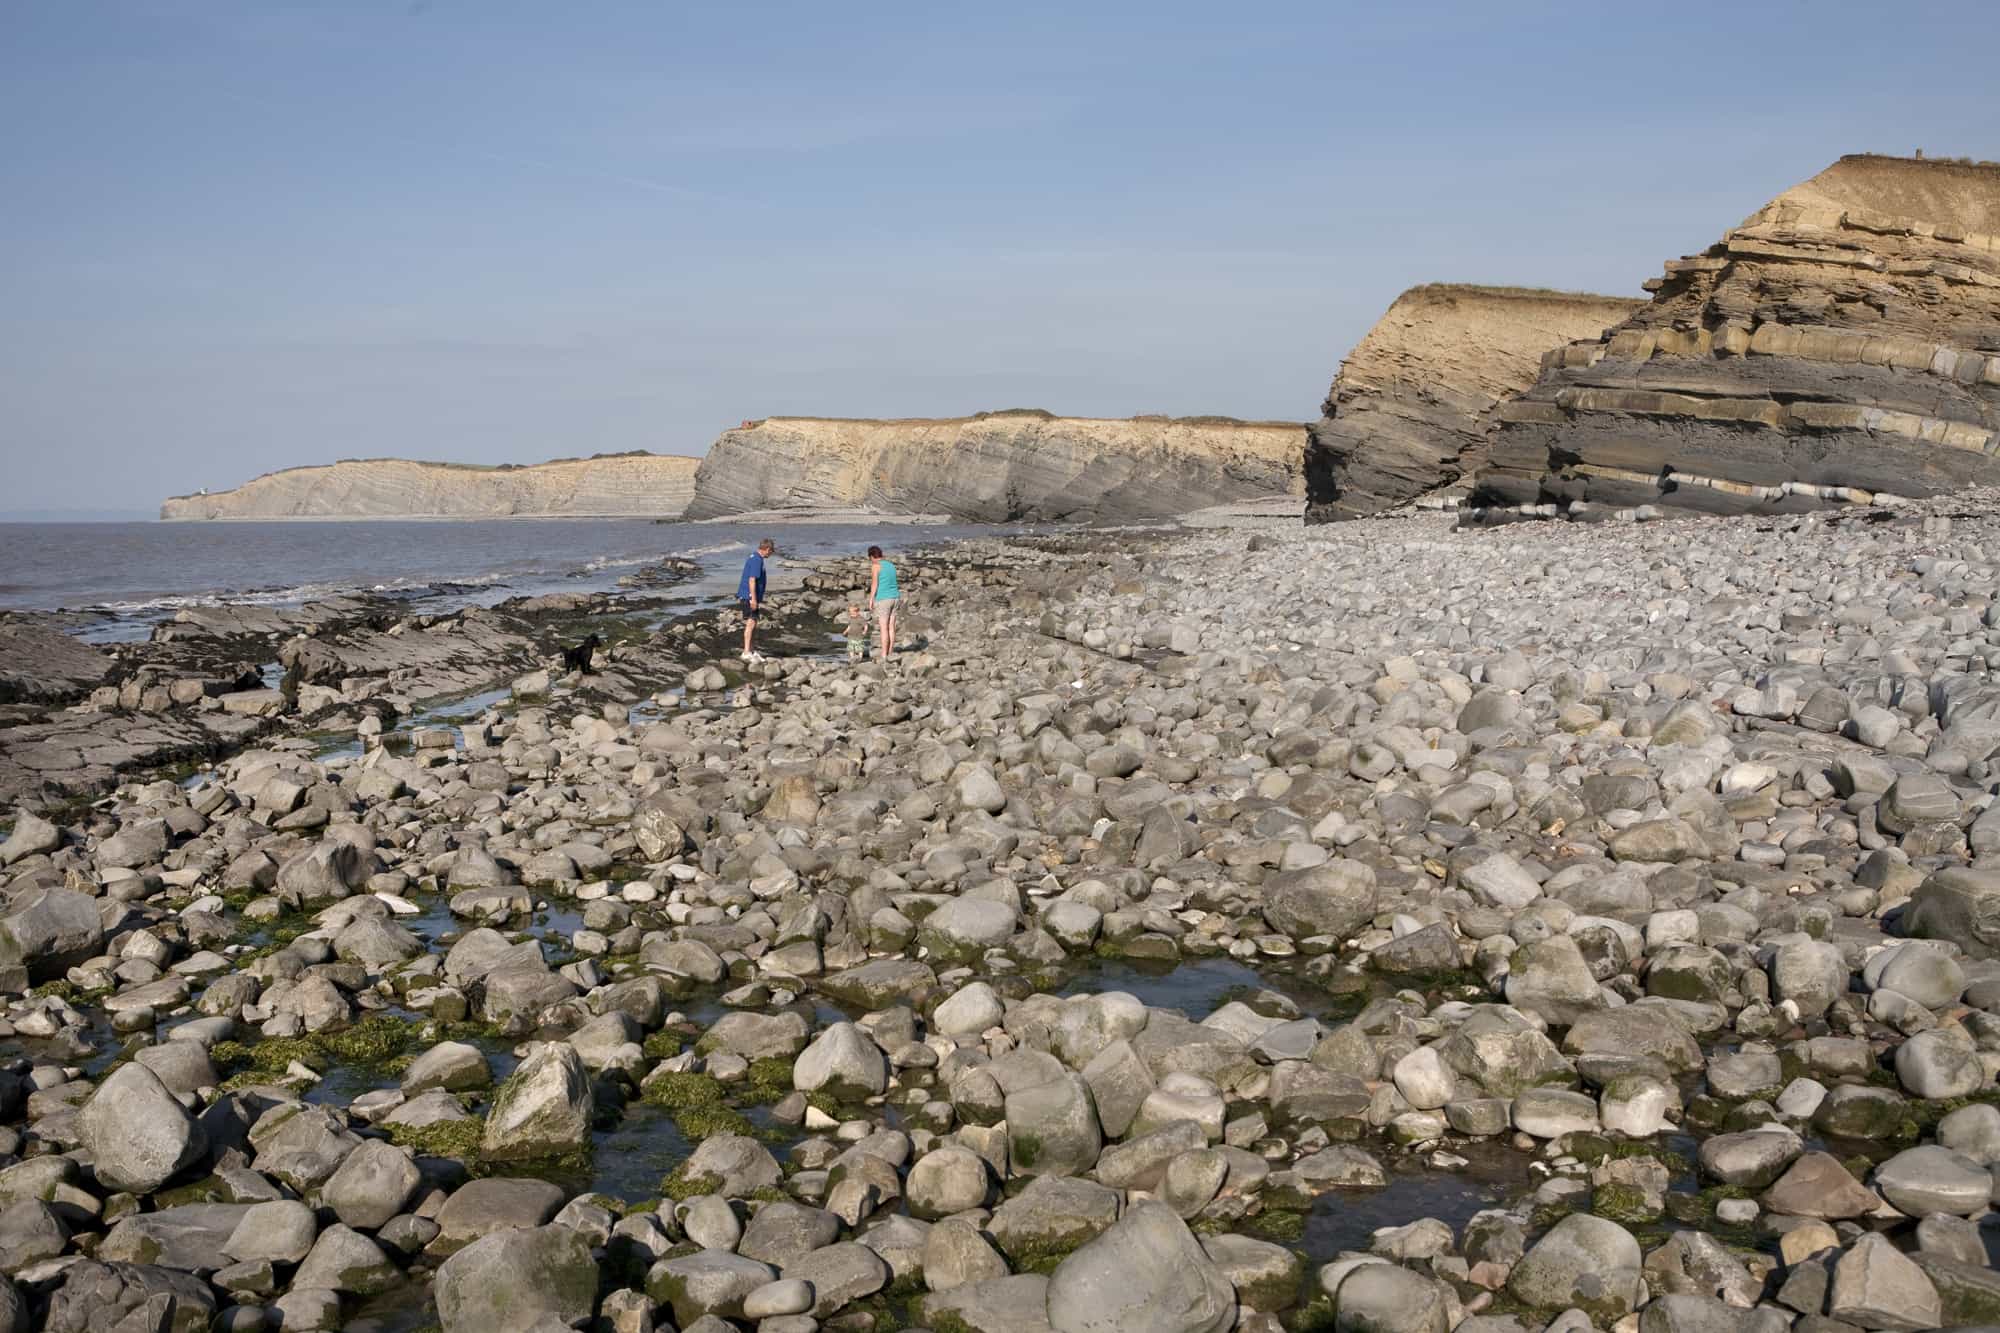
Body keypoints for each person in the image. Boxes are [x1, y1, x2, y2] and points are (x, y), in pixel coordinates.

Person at [737, 538, 775, 662]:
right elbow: (752, 580)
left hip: (752, 596)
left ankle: (751, 650)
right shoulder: (756, 560)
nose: (771, 554)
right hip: (749, 596)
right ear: (767, 549)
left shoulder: (757, 558)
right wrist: (753, 599)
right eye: (771, 551)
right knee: (751, 623)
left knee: (753, 623)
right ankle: (746, 652)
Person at [867, 545, 900, 661]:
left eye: (870, 558)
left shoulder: (876, 566)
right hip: (895, 597)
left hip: (884, 599)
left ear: (872, 556)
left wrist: (871, 599)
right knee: (891, 627)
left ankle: (884, 655)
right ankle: (890, 652)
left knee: (883, 628)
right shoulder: (891, 565)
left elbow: (875, 584)